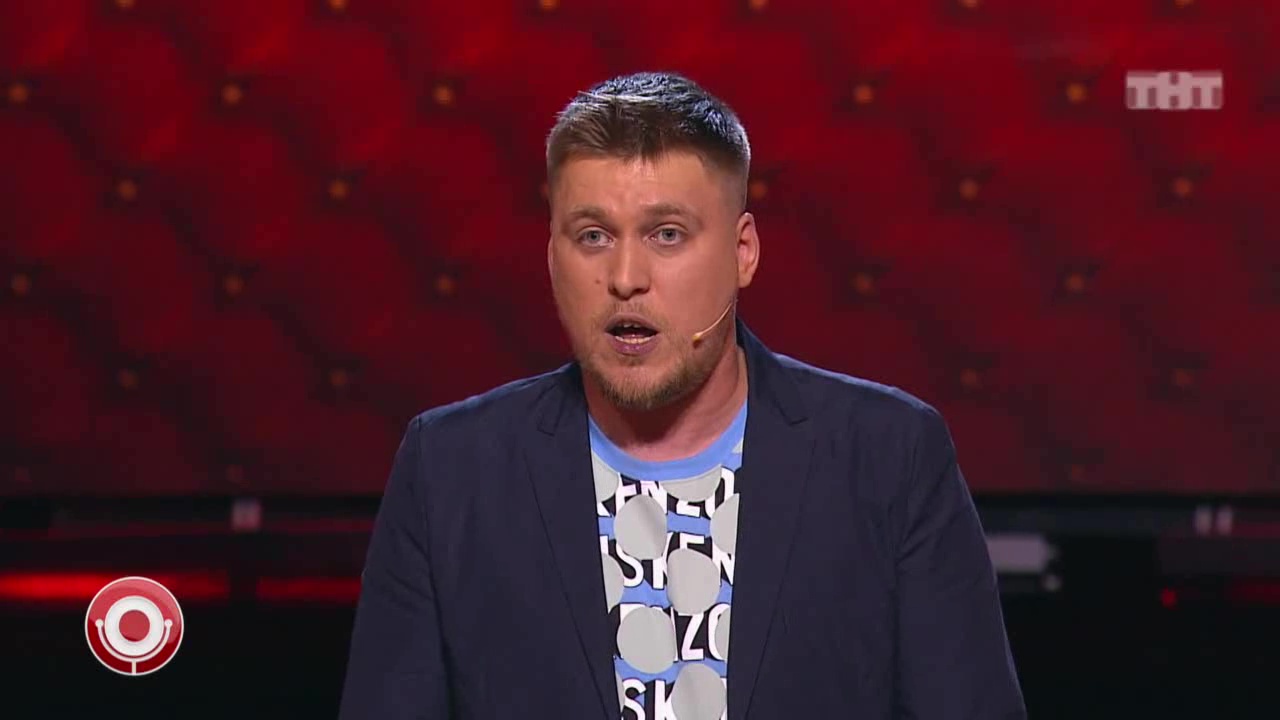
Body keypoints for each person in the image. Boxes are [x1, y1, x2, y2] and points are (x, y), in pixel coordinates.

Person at [338, 71, 1026, 720]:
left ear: (742, 252)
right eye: (592, 236)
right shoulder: (450, 471)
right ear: (551, 256)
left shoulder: (888, 458)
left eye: (666, 235)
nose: (625, 277)